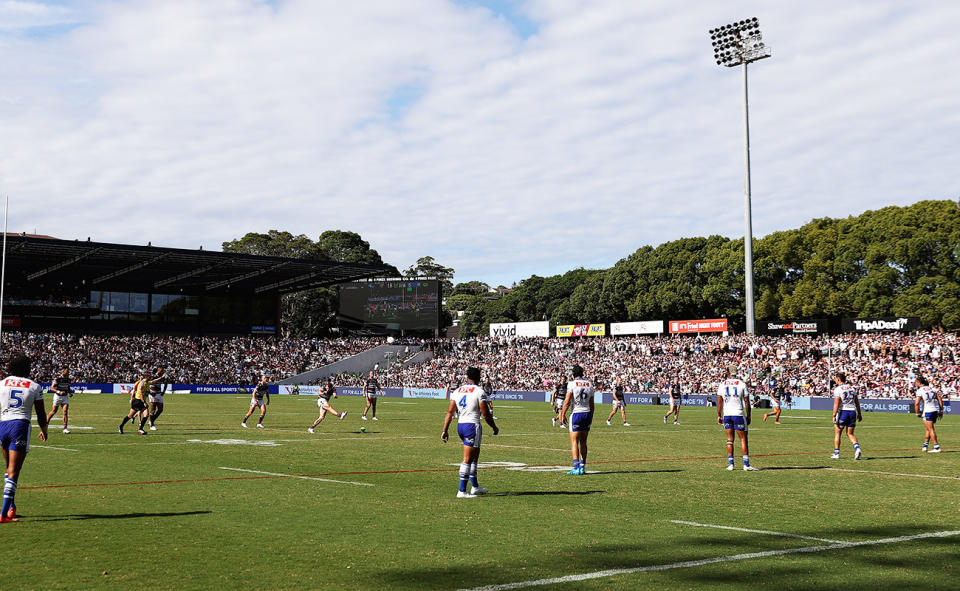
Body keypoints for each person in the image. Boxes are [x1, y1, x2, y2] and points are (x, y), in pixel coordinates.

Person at [1, 351, 49, 523]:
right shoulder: (34, 386)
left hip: (3, 425)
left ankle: (11, 507)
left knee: (9, 469)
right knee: (14, 471)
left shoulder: (2, 383)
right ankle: (3, 514)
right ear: (28, 368)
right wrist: (44, 429)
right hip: (20, 426)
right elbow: (41, 414)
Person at [441, 366, 498, 498]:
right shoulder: (479, 391)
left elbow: (450, 412)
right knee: (467, 459)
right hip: (472, 426)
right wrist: (494, 427)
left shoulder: (457, 391)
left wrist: (445, 430)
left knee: (474, 457)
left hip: (461, 425)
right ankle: (461, 490)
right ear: (478, 378)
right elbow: (486, 414)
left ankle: (475, 486)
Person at [717, 366, 758, 471]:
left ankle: (731, 464)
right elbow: (747, 402)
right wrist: (749, 415)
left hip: (727, 414)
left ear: (727, 373)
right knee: (743, 439)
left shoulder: (722, 384)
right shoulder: (741, 384)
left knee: (729, 440)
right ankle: (746, 465)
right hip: (738, 414)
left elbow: (719, 402)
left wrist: (718, 415)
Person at [559, 365, 594, 475]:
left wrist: (563, 414)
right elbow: (592, 404)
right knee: (584, 441)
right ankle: (583, 467)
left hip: (576, 414)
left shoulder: (572, 384)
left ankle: (576, 467)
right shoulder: (589, 384)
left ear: (573, 374)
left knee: (574, 441)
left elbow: (567, 401)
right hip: (587, 413)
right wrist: (591, 416)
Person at [831, 372, 862, 460]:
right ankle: (857, 448)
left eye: (835, 379)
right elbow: (857, 402)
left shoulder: (838, 389)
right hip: (853, 412)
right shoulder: (852, 388)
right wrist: (859, 413)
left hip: (843, 412)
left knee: (838, 433)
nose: (835, 380)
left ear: (838, 379)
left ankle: (837, 453)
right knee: (850, 433)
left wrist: (834, 415)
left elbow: (836, 404)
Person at [914, 375, 943, 453]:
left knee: (931, 429)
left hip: (927, 411)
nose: (915, 384)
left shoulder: (920, 390)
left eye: (916, 382)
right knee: (928, 429)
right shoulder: (933, 389)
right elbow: (940, 400)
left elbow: (916, 403)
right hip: (934, 410)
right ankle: (925, 446)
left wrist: (917, 413)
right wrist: (941, 411)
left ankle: (937, 447)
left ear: (919, 382)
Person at [119, 370, 154, 435]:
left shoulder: (146, 383)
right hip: (137, 401)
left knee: (146, 415)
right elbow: (134, 392)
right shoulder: (138, 383)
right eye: (141, 376)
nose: (141, 377)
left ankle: (140, 429)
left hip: (143, 401)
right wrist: (131, 399)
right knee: (130, 416)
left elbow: (147, 391)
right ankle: (121, 426)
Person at [46, 368, 73, 434]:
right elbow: (52, 387)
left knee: (65, 412)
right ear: (63, 371)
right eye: (67, 371)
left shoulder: (68, 379)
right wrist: (58, 391)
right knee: (53, 411)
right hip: (58, 396)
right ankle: (45, 424)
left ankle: (65, 428)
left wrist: (70, 393)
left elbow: (68, 387)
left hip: (65, 397)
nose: (68, 372)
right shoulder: (57, 379)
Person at [147, 367, 167, 431]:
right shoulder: (153, 375)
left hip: (159, 394)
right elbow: (150, 382)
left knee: (160, 410)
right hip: (153, 394)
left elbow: (165, 383)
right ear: (158, 370)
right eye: (161, 369)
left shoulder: (162, 376)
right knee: (153, 410)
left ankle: (151, 421)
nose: (162, 371)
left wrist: (163, 391)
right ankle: (152, 425)